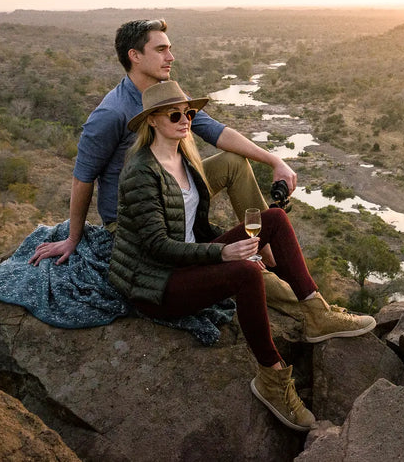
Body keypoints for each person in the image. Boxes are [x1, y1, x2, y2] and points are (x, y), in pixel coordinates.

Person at [108, 81, 376, 431]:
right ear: (152, 121)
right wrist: (223, 253)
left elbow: (191, 226)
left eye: (189, 113)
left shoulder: (183, 157)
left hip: (190, 261)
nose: (185, 120)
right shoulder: (140, 172)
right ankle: (271, 378)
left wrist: (229, 248)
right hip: (158, 282)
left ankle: (316, 314)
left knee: (275, 220)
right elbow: (157, 245)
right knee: (246, 274)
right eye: (175, 114)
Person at [30, 18, 295, 266]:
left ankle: (271, 257)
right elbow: (83, 178)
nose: (171, 57)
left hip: (174, 192)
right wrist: (73, 239)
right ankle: (270, 271)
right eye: (161, 50)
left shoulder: (168, 96)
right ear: (135, 56)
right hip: (137, 213)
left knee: (234, 163)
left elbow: (216, 131)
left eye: (169, 49)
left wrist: (275, 160)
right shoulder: (112, 112)